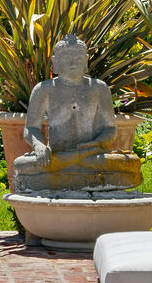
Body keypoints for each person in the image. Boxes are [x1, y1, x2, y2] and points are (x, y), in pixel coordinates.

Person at [12, 35, 142, 192]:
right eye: (66, 58)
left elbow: (110, 129)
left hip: (91, 156)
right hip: (56, 157)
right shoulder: (44, 90)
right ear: (56, 62)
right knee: (20, 164)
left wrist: (95, 145)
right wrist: (39, 146)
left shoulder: (99, 88)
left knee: (131, 162)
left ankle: (61, 177)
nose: (73, 63)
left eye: (78, 58)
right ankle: (84, 177)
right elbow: (31, 128)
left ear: (86, 61)